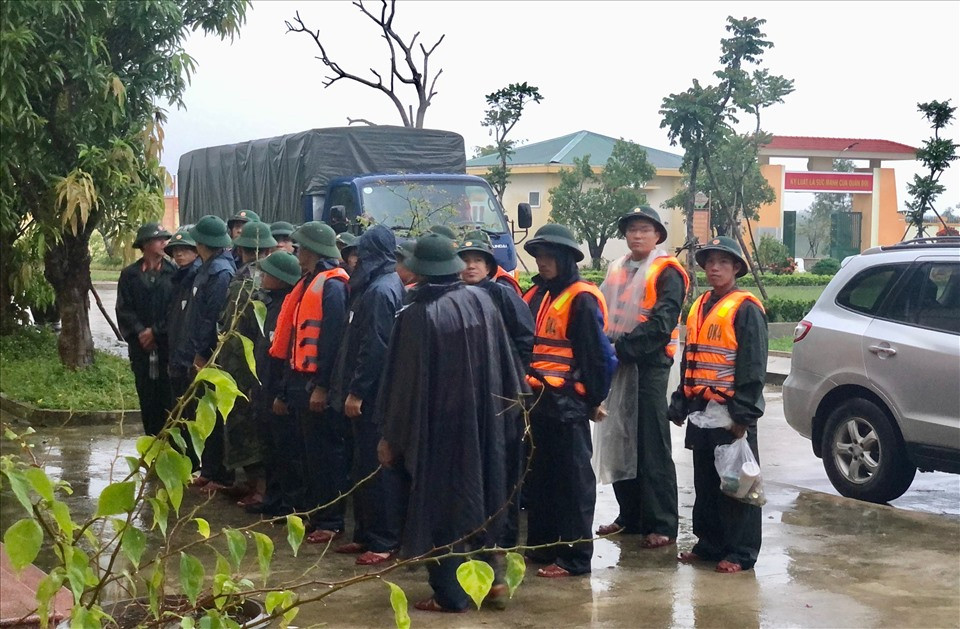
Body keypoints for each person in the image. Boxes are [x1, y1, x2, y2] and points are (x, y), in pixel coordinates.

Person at [375, 233, 526, 612]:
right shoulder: (481, 301)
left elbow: (404, 386)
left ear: (420, 271)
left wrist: (391, 437)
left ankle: (451, 593)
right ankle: (494, 582)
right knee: (485, 496)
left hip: (439, 432)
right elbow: (507, 367)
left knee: (440, 507)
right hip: (485, 425)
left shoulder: (418, 314)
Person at [521, 223, 617, 578]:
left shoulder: (581, 297)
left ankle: (575, 558)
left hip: (568, 405)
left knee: (573, 483)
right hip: (540, 402)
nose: (543, 263)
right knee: (541, 480)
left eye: (549, 256)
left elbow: (597, 356)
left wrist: (593, 399)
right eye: (539, 256)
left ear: (565, 258)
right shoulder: (542, 294)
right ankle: (543, 546)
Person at [668, 236, 768, 574]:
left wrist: (744, 413)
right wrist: (681, 401)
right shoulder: (699, 305)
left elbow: (753, 364)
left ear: (736, 267)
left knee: (736, 483)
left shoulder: (746, 308)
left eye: (723, 262)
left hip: (730, 413)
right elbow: (689, 359)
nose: (714, 267)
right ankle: (709, 543)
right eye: (709, 261)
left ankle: (740, 551)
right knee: (706, 482)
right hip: (701, 410)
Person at [594, 206, 689, 549]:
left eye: (644, 229)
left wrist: (623, 349)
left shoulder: (667, 271)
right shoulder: (617, 268)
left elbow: (663, 323)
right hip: (618, 360)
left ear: (658, 236)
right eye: (632, 229)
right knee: (619, 437)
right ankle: (629, 515)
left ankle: (661, 521)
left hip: (649, 364)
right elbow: (604, 310)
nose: (637, 235)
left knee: (651, 442)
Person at [269, 221, 350, 544]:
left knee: (325, 456)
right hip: (301, 380)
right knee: (309, 456)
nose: (296, 252)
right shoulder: (310, 281)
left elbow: (332, 341)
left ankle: (331, 520)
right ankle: (318, 515)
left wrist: (322, 385)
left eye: (300, 247)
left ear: (314, 251)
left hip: (318, 384)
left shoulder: (332, 286)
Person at [330, 225, 405, 565]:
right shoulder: (369, 287)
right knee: (362, 465)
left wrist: (358, 392)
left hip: (374, 399)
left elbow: (375, 347)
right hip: (361, 395)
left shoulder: (380, 290)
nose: (355, 258)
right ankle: (365, 533)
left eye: (362, 252)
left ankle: (384, 539)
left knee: (378, 468)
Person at [457, 230, 534, 548]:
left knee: (503, 469)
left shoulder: (502, 293)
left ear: (489, 265)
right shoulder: (456, 294)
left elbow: (525, 338)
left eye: (478, 260)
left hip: (502, 397)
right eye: (466, 260)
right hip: (468, 397)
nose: (471, 266)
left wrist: (512, 376)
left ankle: (503, 539)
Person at [174, 215, 237, 490]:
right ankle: (209, 469)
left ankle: (221, 474)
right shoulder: (206, 268)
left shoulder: (221, 272)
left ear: (202, 243)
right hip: (195, 353)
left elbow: (212, 319)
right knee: (202, 413)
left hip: (211, 358)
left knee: (214, 414)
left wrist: (202, 354)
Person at [217, 221, 277, 504]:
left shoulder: (256, 278)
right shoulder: (244, 274)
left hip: (246, 362)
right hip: (237, 360)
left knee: (249, 426)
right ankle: (250, 482)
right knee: (238, 424)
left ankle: (260, 488)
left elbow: (255, 328)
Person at [244, 250, 300, 516]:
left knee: (284, 451)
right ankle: (273, 498)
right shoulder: (267, 305)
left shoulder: (288, 308)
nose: (262, 277)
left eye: (267, 273)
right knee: (268, 446)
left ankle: (287, 502)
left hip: (277, 389)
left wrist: (281, 393)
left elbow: (285, 357)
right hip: (263, 386)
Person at [116, 223, 175, 436]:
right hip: (141, 348)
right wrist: (141, 332)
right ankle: (152, 442)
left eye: (165, 239)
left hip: (166, 347)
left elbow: (175, 310)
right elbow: (124, 309)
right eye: (159, 240)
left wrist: (156, 332)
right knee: (147, 396)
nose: (164, 244)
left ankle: (171, 447)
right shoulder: (129, 275)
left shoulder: (173, 273)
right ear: (146, 244)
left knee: (169, 396)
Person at [164, 227, 202, 467]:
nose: (179, 255)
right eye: (175, 251)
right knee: (181, 410)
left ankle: (195, 462)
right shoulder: (180, 278)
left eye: (185, 250)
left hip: (190, 358)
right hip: (177, 354)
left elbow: (196, 324)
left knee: (193, 413)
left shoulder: (197, 278)